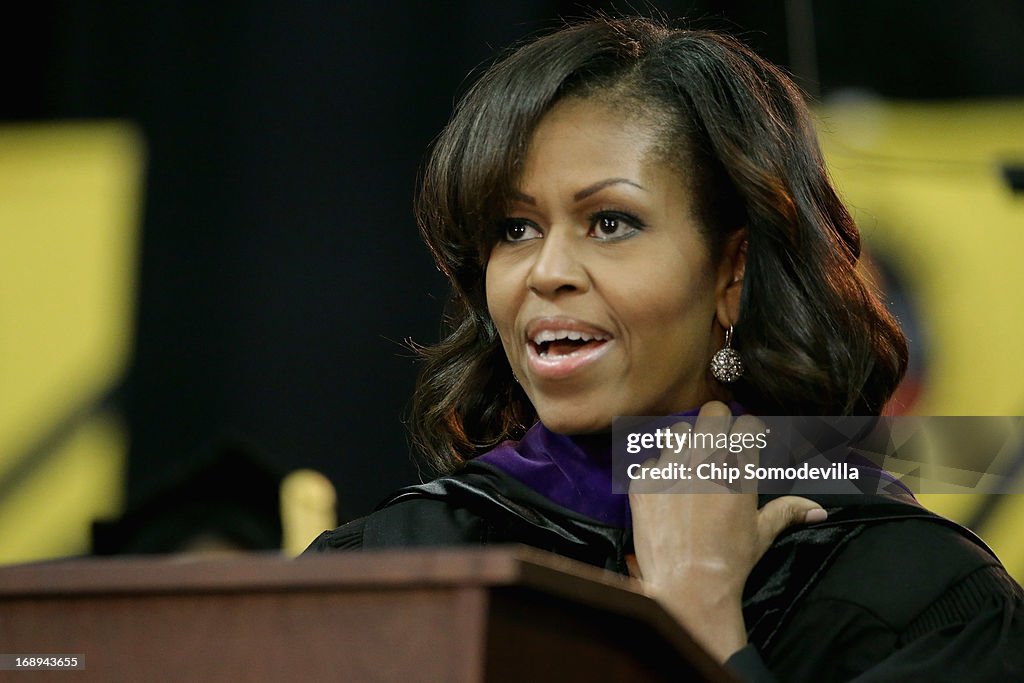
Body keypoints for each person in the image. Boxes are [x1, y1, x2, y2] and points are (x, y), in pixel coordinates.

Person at [305, 16, 1024, 681]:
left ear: (732, 274)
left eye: (611, 222)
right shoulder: (384, 569)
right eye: (515, 229)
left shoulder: (917, 596)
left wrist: (700, 620)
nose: (546, 271)